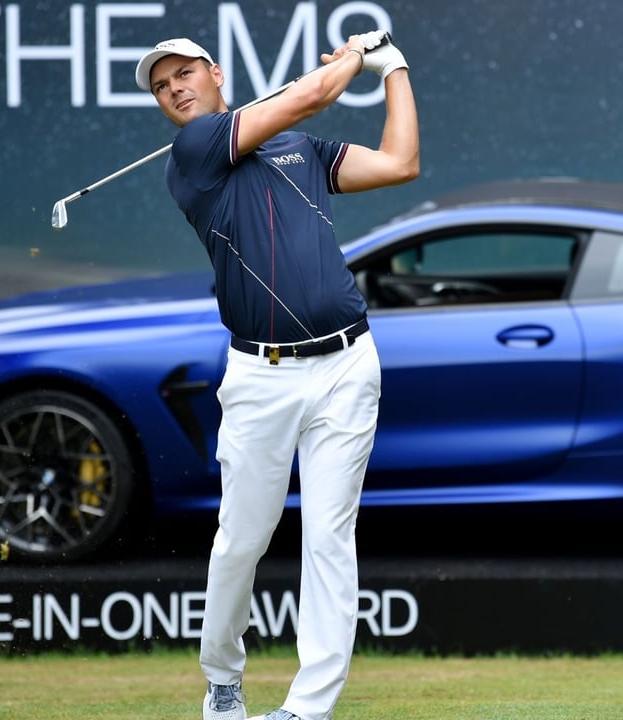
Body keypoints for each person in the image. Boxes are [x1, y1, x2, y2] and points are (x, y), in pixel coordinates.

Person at [134, 30, 418, 720]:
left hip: (348, 364)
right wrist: (356, 56)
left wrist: (395, 69)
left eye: (184, 73)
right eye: (161, 85)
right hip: (261, 377)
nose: (174, 88)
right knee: (242, 540)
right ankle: (223, 680)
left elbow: (400, 163)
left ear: (215, 73)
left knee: (329, 538)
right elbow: (312, 95)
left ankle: (307, 708)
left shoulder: (300, 149)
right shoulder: (195, 150)